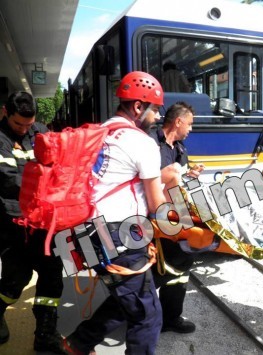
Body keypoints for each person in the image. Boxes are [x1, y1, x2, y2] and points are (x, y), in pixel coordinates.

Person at [63, 71, 167, 354]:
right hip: (119, 235)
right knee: (147, 317)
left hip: (87, 232)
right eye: (155, 109)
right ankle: (78, 343)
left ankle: (78, 343)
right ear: (137, 107)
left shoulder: (98, 132)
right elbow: (157, 204)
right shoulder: (142, 142)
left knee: (127, 298)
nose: (158, 116)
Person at [0, 91, 65, 353]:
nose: (25, 129)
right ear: (5, 112)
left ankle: (45, 335)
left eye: (29, 124)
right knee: (14, 283)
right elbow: (7, 179)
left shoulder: (39, 132)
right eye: (19, 124)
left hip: (43, 225)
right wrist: (43, 186)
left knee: (52, 279)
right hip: (11, 226)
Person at [149, 101, 204, 334]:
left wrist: (189, 174)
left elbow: (177, 182)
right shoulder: (149, 143)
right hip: (150, 216)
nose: (191, 129)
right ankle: (132, 310)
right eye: (189, 123)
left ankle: (171, 317)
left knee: (182, 264)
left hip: (175, 215)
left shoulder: (180, 148)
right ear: (178, 121)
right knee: (160, 269)